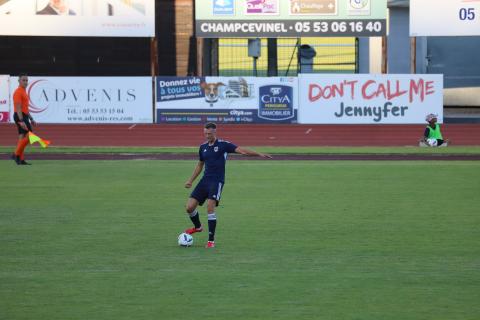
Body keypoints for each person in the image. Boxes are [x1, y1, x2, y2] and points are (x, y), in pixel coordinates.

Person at [184, 122, 272, 248]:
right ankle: (198, 227)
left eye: (209, 134)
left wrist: (259, 154)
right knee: (189, 208)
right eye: (205, 133)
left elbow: (242, 151)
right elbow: (200, 164)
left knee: (210, 207)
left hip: (217, 181)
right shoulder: (202, 147)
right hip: (204, 181)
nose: (207, 136)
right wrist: (190, 180)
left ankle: (211, 241)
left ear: (215, 132)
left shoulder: (224, 145)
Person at [11, 74, 35, 165]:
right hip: (19, 116)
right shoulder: (18, 92)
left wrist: (31, 118)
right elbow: (18, 107)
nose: (25, 82)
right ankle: (15, 154)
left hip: (23, 116)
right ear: (19, 81)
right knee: (30, 136)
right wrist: (21, 121)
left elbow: (25, 108)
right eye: (23, 80)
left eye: (26, 80)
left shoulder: (24, 92)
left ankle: (20, 159)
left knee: (22, 138)